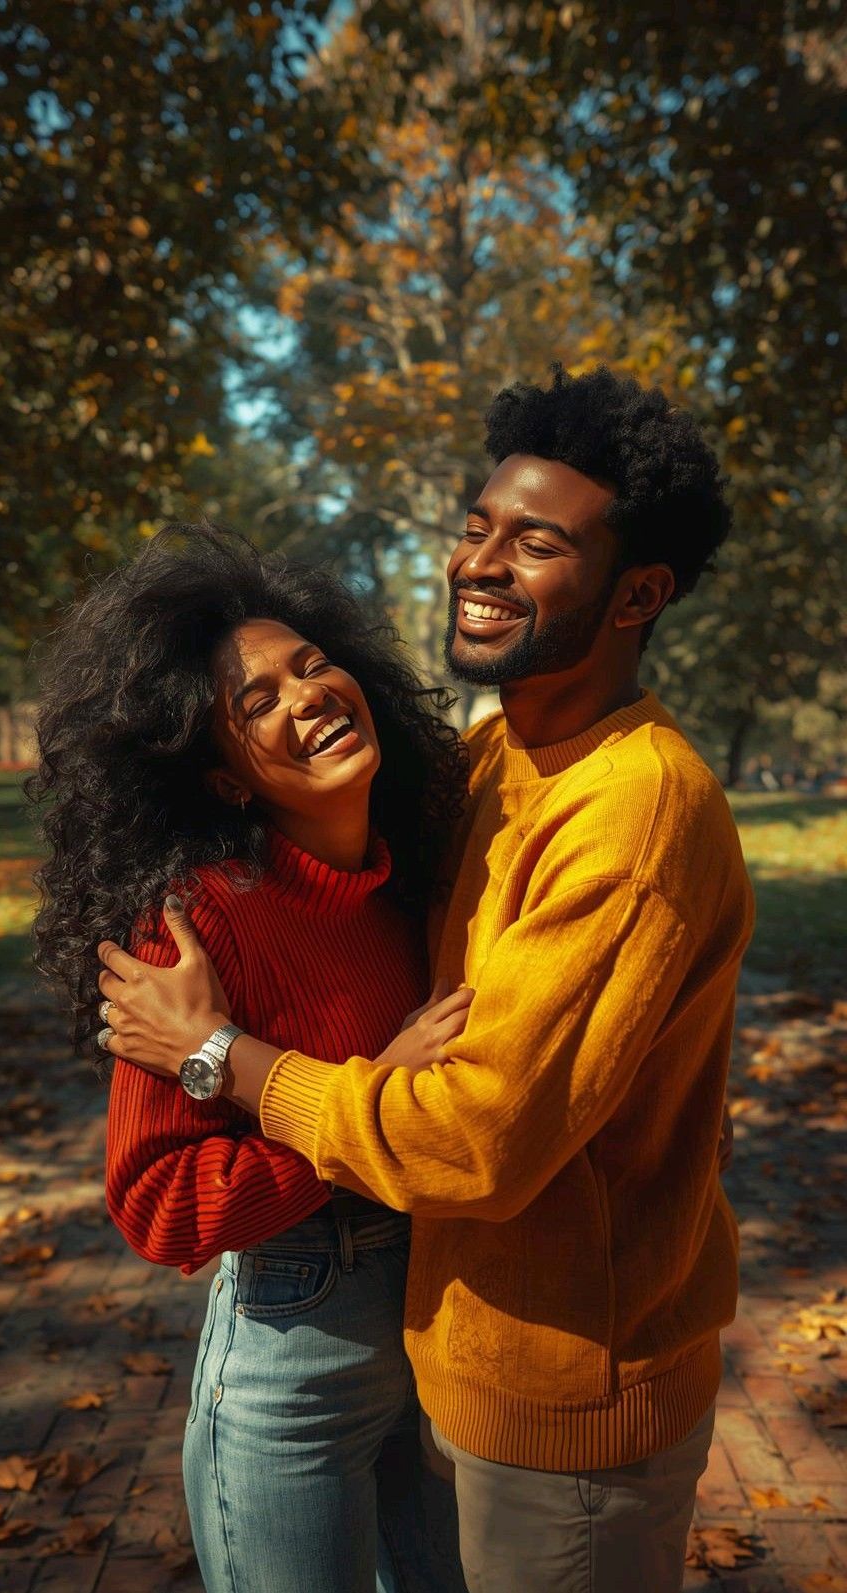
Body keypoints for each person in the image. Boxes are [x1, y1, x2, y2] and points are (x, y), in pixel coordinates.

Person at [99, 365, 755, 1593]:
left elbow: (476, 1137)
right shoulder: (494, 756)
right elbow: (164, 1195)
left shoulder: (631, 809)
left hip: (565, 1398)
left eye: (537, 543)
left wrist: (227, 1060)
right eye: (475, 527)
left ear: (637, 595)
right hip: (440, 1352)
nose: (479, 563)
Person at [30, 525, 470, 1593]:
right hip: (294, 1357)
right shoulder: (193, 927)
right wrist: (368, 1107)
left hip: (442, 1323)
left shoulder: (414, 876)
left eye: (311, 665)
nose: (305, 695)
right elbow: (158, 1204)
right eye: (256, 702)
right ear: (225, 780)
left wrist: (260, 1073)